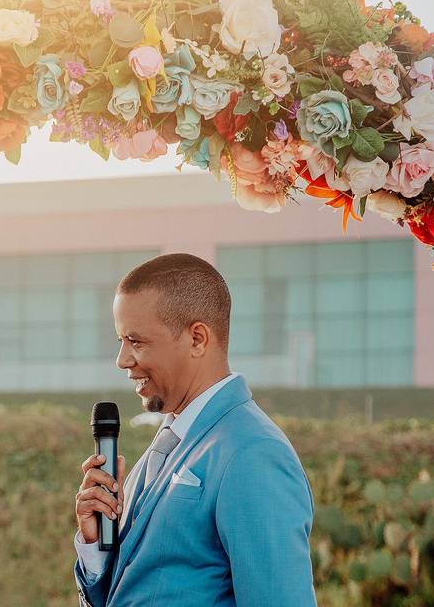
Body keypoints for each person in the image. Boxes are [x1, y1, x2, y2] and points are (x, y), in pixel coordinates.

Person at [73, 253, 316, 606]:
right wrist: (96, 547)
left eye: (136, 341)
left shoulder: (253, 453)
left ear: (198, 339)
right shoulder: (166, 445)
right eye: (121, 341)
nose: (122, 359)